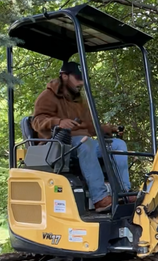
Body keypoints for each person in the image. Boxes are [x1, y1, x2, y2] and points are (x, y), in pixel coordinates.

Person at [32, 60, 130, 211]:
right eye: (78, 78)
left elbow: (89, 128)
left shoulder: (80, 100)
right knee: (86, 144)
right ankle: (100, 198)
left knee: (117, 145)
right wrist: (58, 122)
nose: (82, 82)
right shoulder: (48, 96)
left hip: (83, 142)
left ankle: (124, 193)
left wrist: (107, 129)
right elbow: (36, 121)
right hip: (58, 147)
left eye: (83, 79)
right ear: (64, 76)